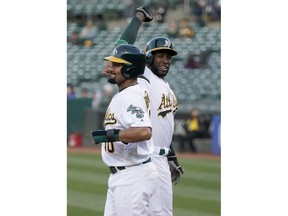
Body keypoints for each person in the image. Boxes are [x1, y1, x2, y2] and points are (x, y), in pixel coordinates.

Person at [103, 6, 184, 216]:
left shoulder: (166, 86)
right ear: (147, 59)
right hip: (147, 157)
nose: (165, 59)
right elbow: (122, 46)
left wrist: (171, 156)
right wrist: (138, 18)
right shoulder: (144, 77)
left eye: (168, 56)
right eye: (160, 55)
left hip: (159, 157)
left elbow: (162, 124)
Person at [91, 44, 158, 216]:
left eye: (116, 64)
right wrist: (116, 71)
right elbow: (141, 74)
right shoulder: (139, 86)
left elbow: (144, 131)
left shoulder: (130, 96)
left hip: (132, 175)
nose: (110, 68)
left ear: (129, 68)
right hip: (123, 175)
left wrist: (111, 135)